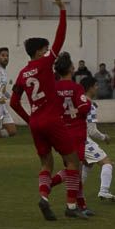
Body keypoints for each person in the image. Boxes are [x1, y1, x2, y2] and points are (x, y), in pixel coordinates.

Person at [8, 0, 80, 221]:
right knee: (72, 161)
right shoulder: (46, 62)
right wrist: (62, 10)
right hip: (52, 119)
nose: (49, 51)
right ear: (40, 51)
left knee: (46, 163)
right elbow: (61, 37)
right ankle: (70, 206)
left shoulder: (21, 74)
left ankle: (44, 197)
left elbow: (13, 102)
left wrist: (30, 119)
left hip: (36, 122)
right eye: (46, 49)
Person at [50, 52, 94, 217]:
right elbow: (84, 108)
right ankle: (50, 187)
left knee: (74, 167)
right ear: (70, 68)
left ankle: (81, 205)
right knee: (74, 169)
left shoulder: (54, 87)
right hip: (76, 131)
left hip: (61, 132)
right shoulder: (76, 88)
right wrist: (85, 104)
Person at [81, 76, 115, 201]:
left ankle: (75, 192)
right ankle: (103, 191)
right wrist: (104, 137)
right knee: (107, 163)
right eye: (96, 85)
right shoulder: (90, 106)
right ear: (90, 88)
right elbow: (92, 131)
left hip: (71, 139)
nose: (97, 88)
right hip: (83, 140)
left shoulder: (78, 101)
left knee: (88, 164)